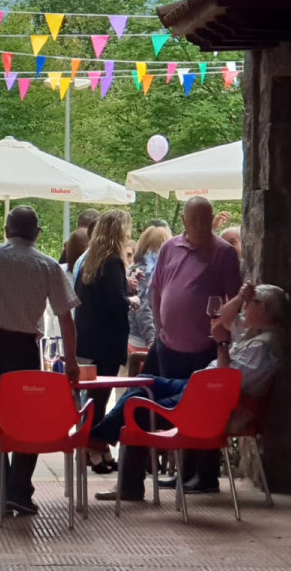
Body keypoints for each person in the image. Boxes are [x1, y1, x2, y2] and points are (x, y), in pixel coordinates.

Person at [92, 283, 288, 500]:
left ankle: (111, 462)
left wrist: (222, 343)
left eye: (251, 303)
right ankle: (99, 438)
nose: (244, 309)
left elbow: (225, 381)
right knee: (146, 381)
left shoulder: (263, 347)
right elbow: (224, 317)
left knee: (137, 406)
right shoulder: (255, 332)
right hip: (201, 389)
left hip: (210, 401)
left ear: (261, 309)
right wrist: (241, 297)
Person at [103, 196, 241, 500]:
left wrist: (221, 334)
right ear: (184, 221)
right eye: (195, 220)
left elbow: (233, 300)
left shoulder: (224, 253)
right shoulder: (170, 247)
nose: (201, 226)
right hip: (167, 345)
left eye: (206, 220)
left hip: (204, 349)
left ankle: (199, 476)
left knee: (193, 412)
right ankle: (130, 480)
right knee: (141, 398)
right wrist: (160, 325)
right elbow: (158, 289)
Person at [0, 206, 79, 516]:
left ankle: (0, 490)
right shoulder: (48, 266)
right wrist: (70, 361)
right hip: (23, 348)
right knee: (28, 419)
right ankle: (20, 487)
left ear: (6, 230)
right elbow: (66, 318)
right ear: (38, 233)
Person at [74, 209, 133, 473]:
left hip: (88, 340)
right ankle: (93, 450)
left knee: (94, 399)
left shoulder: (90, 260)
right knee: (99, 400)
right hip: (106, 343)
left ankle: (99, 450)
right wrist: (131, 300)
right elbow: (115, 303)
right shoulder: (113, 261)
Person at [128, 224, 172, 353]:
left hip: (136, 336)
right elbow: (142, 307)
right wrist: (151, 339)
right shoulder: (147, 271)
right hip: (143, 341)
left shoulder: (134, 268)